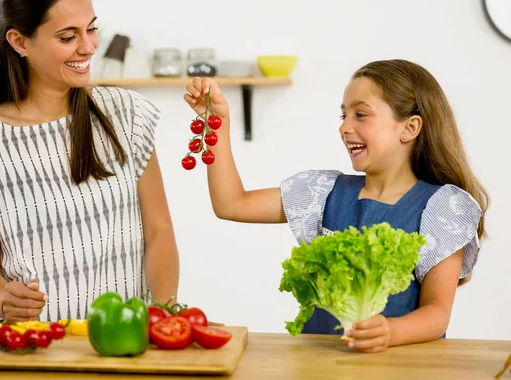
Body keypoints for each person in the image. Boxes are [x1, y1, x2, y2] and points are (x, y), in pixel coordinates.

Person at [184, 59, 488, 353]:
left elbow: (436, 312)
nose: (345, 127)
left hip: (398, 369)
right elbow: (231, 204)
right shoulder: (324, 193)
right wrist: (217, 126)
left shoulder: (441, 208)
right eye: (343, 115)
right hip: (320, 367)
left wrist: (391, 333)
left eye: (361, 114)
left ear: (409, 128)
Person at [0, 0, 179, 323]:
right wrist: (4, 297)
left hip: (125, 345)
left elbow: (159, 230)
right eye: (68, 37)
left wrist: (165, 314)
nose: (88, 47)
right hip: (34, 349)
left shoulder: (125, 114)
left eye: (91, 29)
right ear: (19, 41)